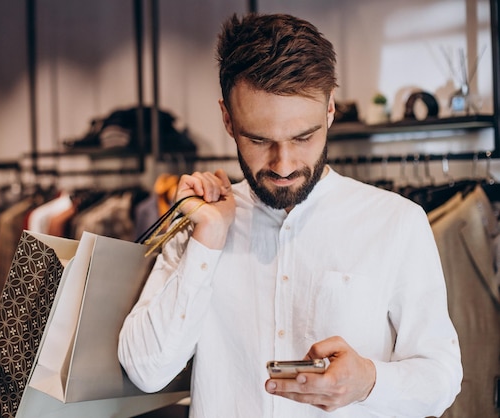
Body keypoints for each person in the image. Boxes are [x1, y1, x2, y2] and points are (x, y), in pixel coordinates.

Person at [118, 12, 462, 417]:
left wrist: (369, 381)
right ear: (228, 119)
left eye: (303, 137)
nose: (283, 165)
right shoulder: (200, 222)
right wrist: (207, 240)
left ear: (330, 109)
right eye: (259, 139)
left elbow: (442, 376)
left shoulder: (398, 222)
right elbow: (146, 370)